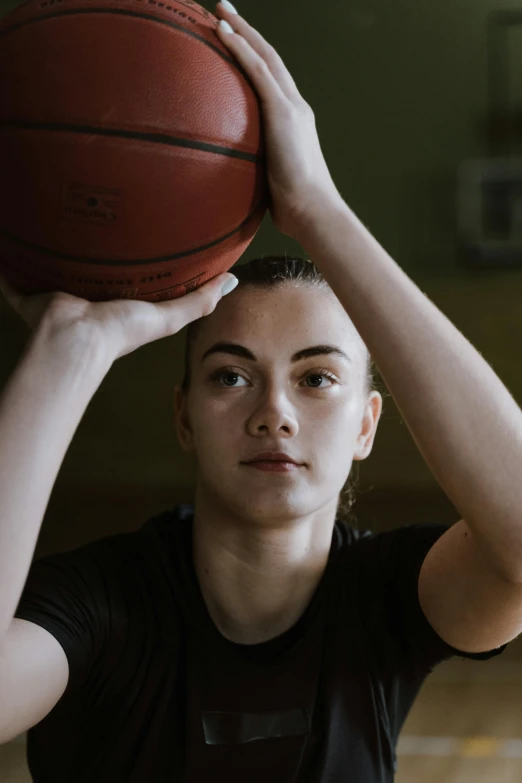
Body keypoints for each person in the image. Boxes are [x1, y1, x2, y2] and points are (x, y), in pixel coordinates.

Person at [1, 2, 522, 781]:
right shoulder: (104, 603)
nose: (273, 412)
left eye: (317, 378)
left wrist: (320, 209)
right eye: (231, 375)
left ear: (366, 424)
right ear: (183, 415)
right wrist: (70, 348)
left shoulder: (383, 601)